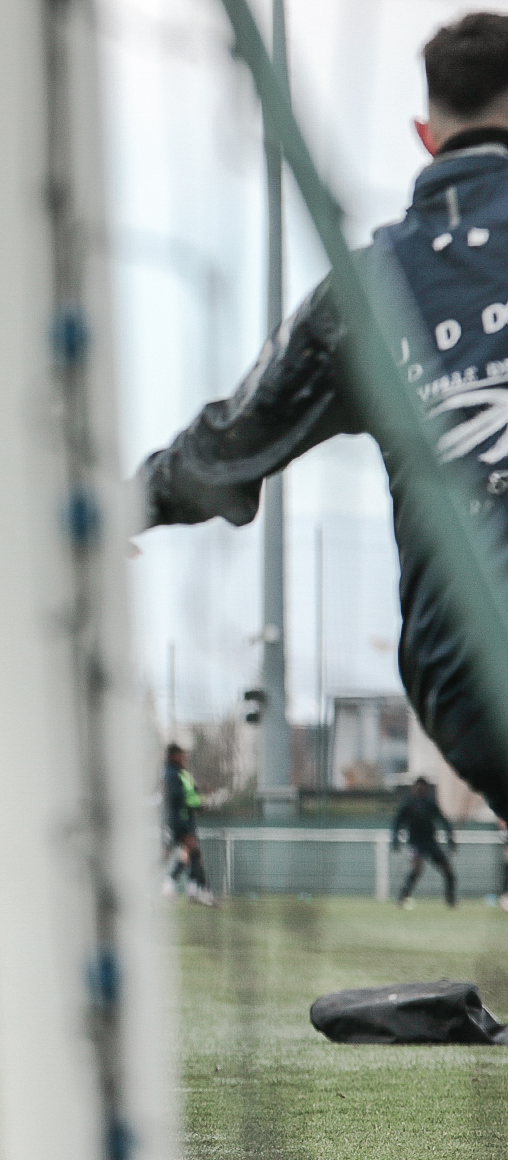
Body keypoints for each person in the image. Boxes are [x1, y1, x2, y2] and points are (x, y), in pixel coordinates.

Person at [138, 14, 508, 823]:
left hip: (468, 671)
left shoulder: (370, 285)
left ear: (425, 136)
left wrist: (123, 502)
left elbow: (229, 440)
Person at [161, 744, 214, 906]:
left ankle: (192, 889)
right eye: (181, 756)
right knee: (193, 853)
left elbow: (191, 795)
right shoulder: (171, 774)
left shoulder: (181, 774)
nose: (184, 759)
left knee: (188, 855)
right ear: (173, 756)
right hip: (179, 821)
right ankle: (198, 890)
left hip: (185, 820)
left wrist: (200, 801)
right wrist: (196, 804)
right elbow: (179, 798)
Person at [393, 776, 458, 908]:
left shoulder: (430, 803)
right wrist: (395, 839)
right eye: (418, 786)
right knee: (417, 868)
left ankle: (450, 899)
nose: (420, 789)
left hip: (430, 842)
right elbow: (397, 822)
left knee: (447, 869)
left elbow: (443, 820)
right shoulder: (408, 803)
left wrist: (450, 837)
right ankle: (403, 897)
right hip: (415, 843)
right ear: (413, 788)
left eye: (423, 786)